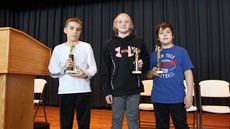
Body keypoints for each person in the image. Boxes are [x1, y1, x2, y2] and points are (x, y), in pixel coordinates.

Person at [100, 13, 150, 129]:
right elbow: (105, 70)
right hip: (116, 90)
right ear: (115, 25)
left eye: (126, 21)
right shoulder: (109, 44)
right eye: (120, 21)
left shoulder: (139, 42)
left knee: (133, 118)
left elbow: (147, 63)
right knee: (116, 120)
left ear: (131, 25)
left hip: (134, 89)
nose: (123, 24)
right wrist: (107, 91)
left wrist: (142, 64)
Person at [48, 17, 97, 129]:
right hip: (65, 91)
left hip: (83, 90)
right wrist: (64, 67)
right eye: (72, 28)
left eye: (78, 29)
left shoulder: (86, 47)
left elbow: (93, 68)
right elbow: (52, 72)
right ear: (65, 30)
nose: (75, 31)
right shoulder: (58, 49)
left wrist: (84, 74)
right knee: (65, 124)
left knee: (84, 124)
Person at [147, 22, 194, 129]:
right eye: (161, 33)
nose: (164, 35)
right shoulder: (154, 54)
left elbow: (188, 73)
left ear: (173, 35)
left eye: (167, 32)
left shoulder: (181, 52)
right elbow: (148, 75)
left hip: (177, 97)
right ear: (158, 37)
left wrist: (190, 93)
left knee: (181, 125)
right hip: (158, 97)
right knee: (161, 126)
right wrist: (152, 73)